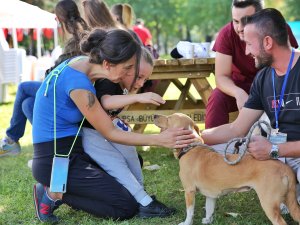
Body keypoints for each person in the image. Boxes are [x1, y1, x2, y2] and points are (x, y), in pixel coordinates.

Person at [32, 28, 195, 223]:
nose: (131, 74)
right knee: (124, 207)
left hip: (72, 151)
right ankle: (53, 191)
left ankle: (59, 186)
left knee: (128, 183)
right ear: (107, 64)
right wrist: (158, 139)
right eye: (128, 68)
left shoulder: (79, 65)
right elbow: (109, 132)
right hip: (57, 160)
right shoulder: (79, 84)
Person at [202, 8, 300, 195]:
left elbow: (274, 149)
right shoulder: (263, 77)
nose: (246, 51)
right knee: (208, 153)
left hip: (288, 153)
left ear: (268, 42)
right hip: (277, 155)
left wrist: (274, 150)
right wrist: (193, 137)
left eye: (248, 44)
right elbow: (236, 129)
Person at [82, 47, 174, 218]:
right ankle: (144, 202)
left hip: (106, 126)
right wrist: (138, 97)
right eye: (139, 77)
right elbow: (106, 101)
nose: (140, 84)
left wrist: (117, 118)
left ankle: (140, 196)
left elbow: (111, 110)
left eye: (145, 80)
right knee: (115, 162)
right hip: (87, 131)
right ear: (127, 67)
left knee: (130, 153)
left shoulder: (124, 84)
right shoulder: (110, 79)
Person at [0, 0, 89, 157]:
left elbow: (67, 70)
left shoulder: (76, 36)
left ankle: (11, 139)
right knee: (28, 105)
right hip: (64, 88)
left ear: (59, 17)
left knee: (23, 87)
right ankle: (48, 145)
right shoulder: (78, 32)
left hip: (67, 91)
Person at [204, 0, 298, 129]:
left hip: (273, 86)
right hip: (241, 87)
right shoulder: (226, 34)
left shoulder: (279, 28)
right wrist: (238, 93)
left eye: (246, 20)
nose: (240, 28)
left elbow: (290, 66)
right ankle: (208, 147)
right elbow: (221, 77)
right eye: (235, 21)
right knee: (217, 96)